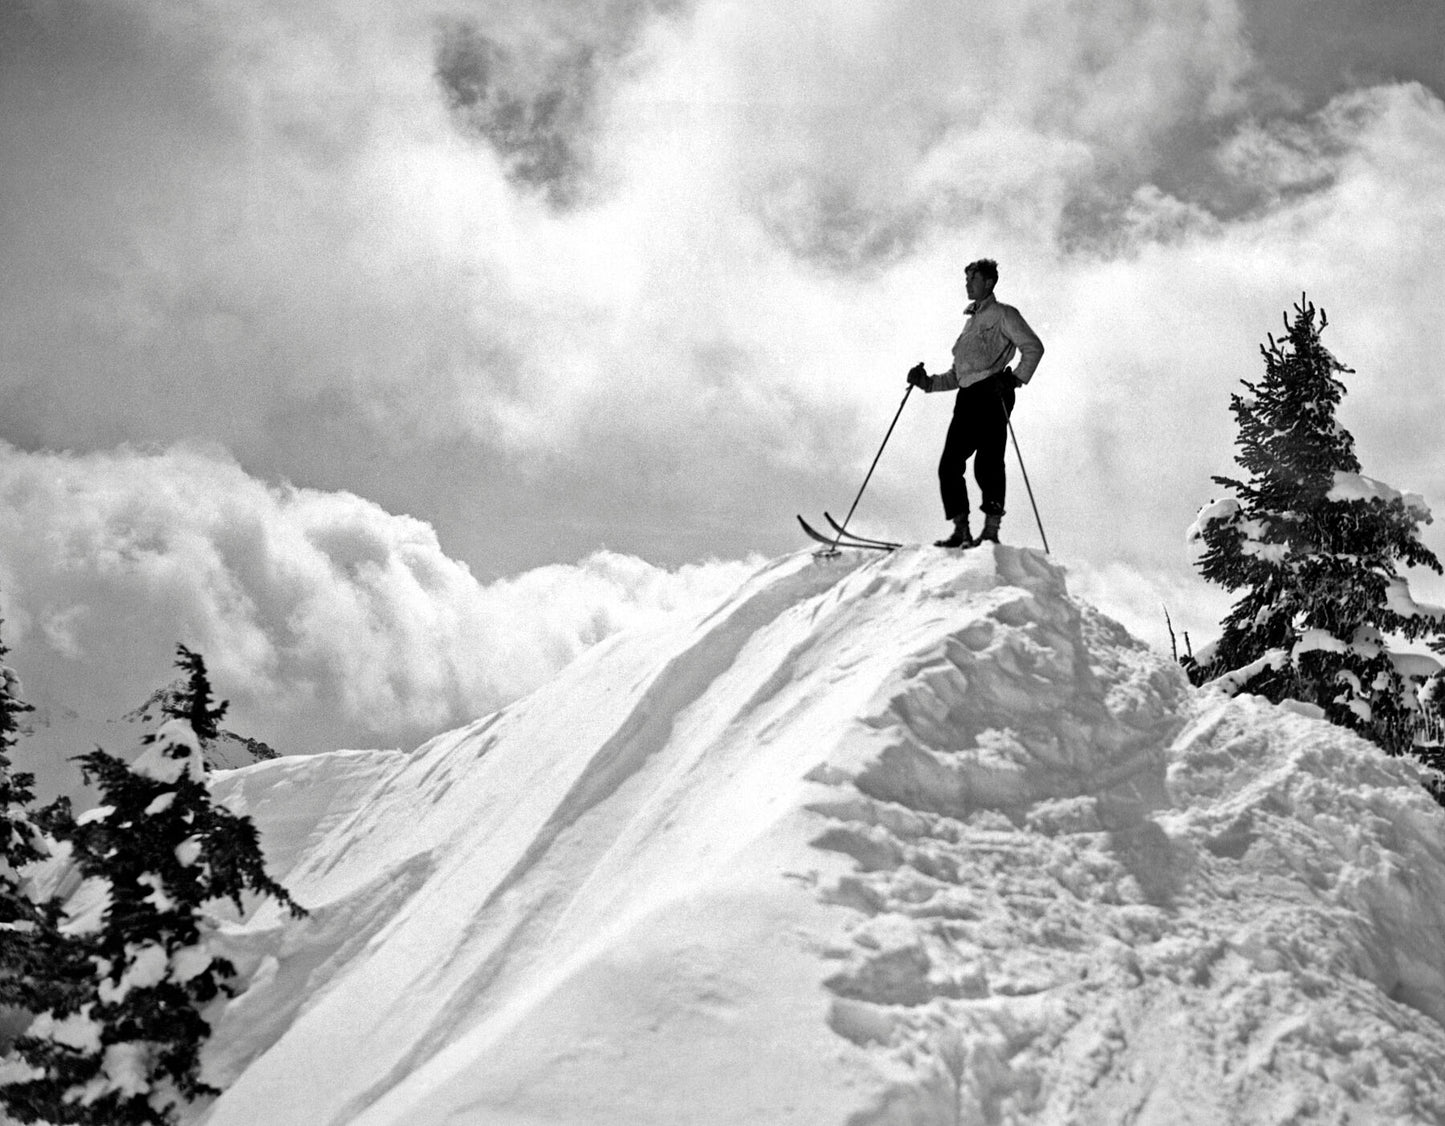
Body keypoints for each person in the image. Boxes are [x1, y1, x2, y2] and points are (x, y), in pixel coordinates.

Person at [907, 258, 1044, 548]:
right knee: (950, 464)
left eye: (972, 279)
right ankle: (962, 530)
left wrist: (1015, 379)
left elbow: (1033, 347)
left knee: (988, 462)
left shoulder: (1004, 314)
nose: (967, 284)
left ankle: (991, 531)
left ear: (989, 283)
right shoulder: (970, 324)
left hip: (994, 392)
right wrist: (927, 382)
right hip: (968, 395)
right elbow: (959, 375)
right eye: (967, 279)